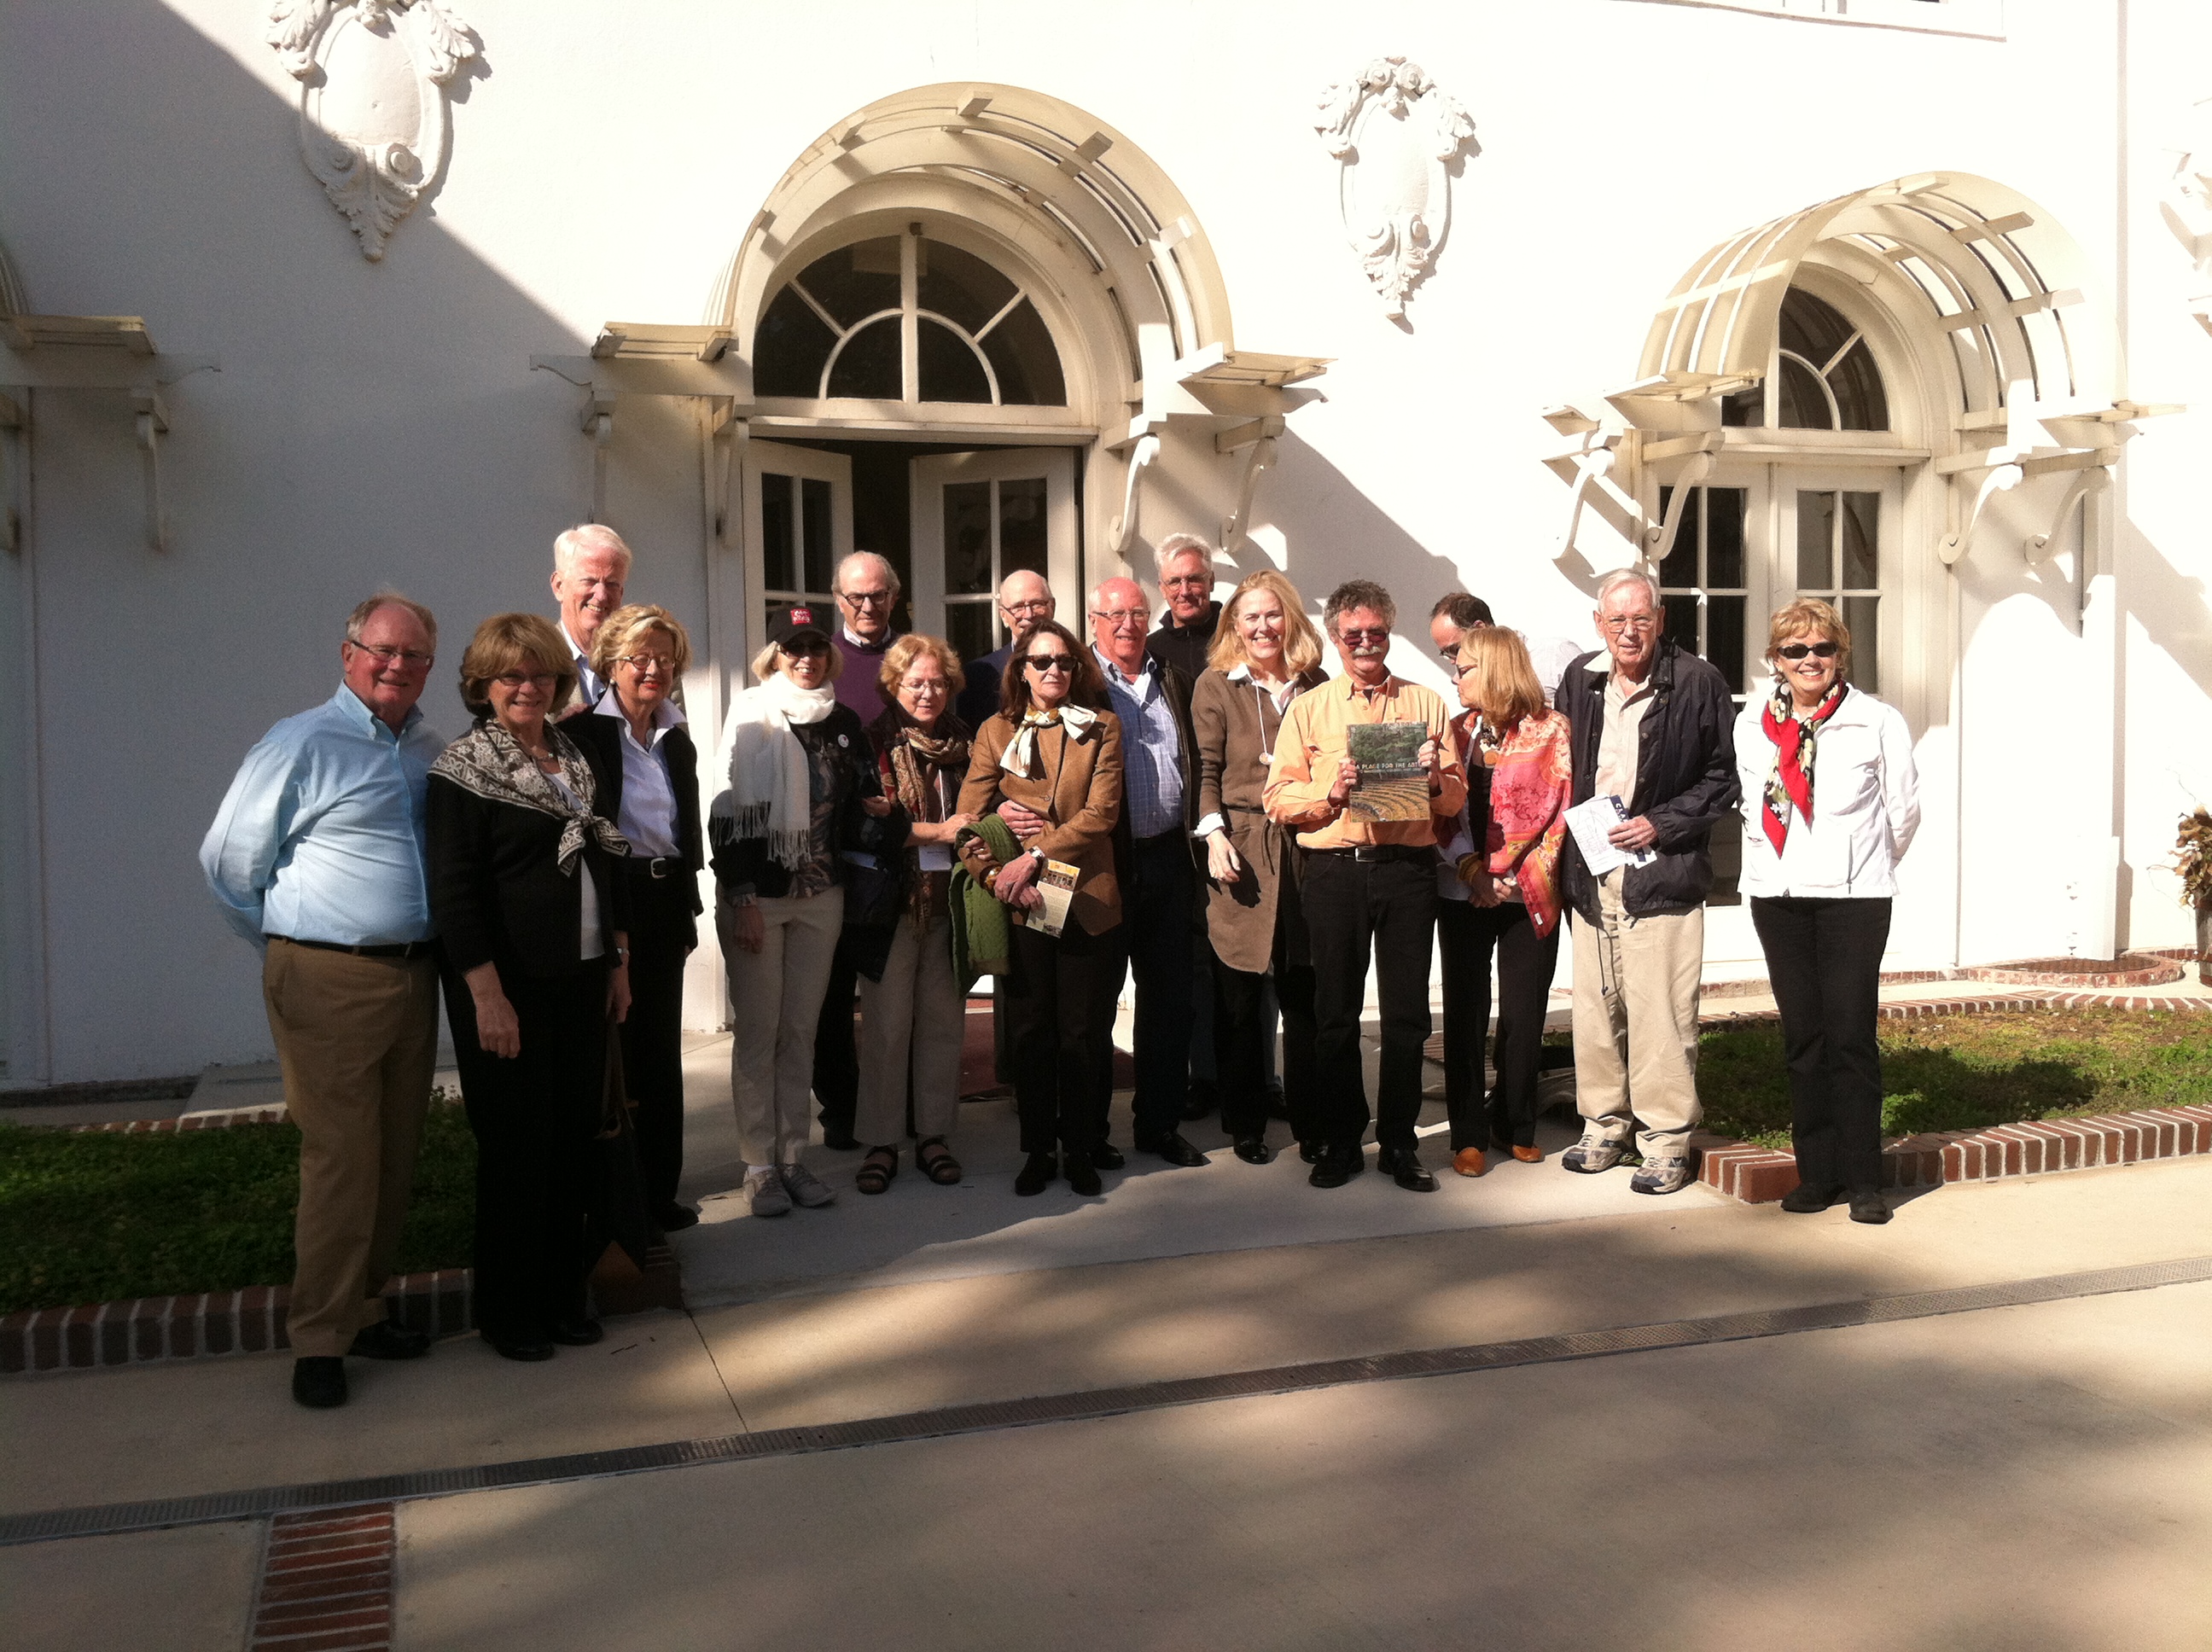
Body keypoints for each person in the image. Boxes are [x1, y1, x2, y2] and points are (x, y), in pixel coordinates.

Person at [201, 593, 446, 1410]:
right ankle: (319, 1339)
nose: (397, 666)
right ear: (348, 654)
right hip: (326, 979)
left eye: (414, 656)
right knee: (341, 1161)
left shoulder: (428, 749)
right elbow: (229, 864)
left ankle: (366, 1308)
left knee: (394, 1153)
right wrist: (291, 949)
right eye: (382, 650)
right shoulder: (301, 742)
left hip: (414, 978)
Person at [427, 613, 632, 1362]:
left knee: (573, 1142)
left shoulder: (574, 760)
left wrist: (618, 962)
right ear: (482, 684)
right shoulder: (462, 770)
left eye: (541, 673)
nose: (527, 686)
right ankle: (510, 1312)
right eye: (511, 675)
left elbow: (605, 864)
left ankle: (562, 1295)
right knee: (517, 1152)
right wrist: (485, 995)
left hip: (580, 980)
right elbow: (453, 893)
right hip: (506, 989)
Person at [1265, 579, 1464, 1192]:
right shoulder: (1309, 708)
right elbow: (1276, 799)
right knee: (1335, 1016)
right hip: (1334, 872)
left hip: (1406, 873)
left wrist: (1433, 778)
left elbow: (1455, 799)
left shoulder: (1427, 704)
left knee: (1406, 1017)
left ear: (1389, 632)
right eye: (1353, 635)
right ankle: (1343, 1140)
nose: (1365, 644)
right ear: (1335, 637)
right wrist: (1329, 794)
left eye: (1376, 633)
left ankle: (1400, 1144)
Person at [1736, 599, 1919, 1226]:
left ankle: (1865, 1178)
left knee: (1849, 1037)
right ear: (1776, 660)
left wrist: (1859, 864)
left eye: (1822, 649)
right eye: (1795, 651)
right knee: (1802, 1039)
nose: (1810, 660)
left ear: (1841, 654)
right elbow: (1747, 801)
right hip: (1778, 896)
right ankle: (1818, 1173)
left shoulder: (1876, 720)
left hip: (1854, 900)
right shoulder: (1752, 725)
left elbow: (1903, 814)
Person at [1558, 568, 1739, 1195]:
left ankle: (1665, 1141)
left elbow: (1722, 781)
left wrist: (1658, 825)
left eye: (1641, 619)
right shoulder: (1581, 680)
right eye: (1617, 621)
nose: (1629, 631)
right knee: (1596, 1007)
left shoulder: (1697, 681)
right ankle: (1603, 1125)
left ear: (1661, 620)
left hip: (1661, 871)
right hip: (1592, 871)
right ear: (1599, 625)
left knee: (1661, 1013)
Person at [712, 604, 894, 1217]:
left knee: (802, 1032)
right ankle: (759, 1165)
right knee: (760, 1033)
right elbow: (723, 809)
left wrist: (892, 813)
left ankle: (793, 1157)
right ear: (775, 655)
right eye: (794, 648)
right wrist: (740, 896)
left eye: (816, 647)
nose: (807, 658)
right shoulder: (750, 714)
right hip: (759, 897)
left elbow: (865, 798)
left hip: (823, 896)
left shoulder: (842, 720)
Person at [957, 621, 1125, 1196]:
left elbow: (1101, 815)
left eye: (1065, 662)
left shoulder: (1103, 727)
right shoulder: (995, 730)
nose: (1054, 670)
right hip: (1022, 899)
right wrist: (994, 869)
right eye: (1041, 661)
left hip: (1084, 898)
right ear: (1020, 669)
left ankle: (1079, 1147)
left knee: (1080, 1031)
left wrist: (1033, 853)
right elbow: (967, 820)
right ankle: (1036, 1150)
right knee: (1031, 1031)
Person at [566, 604, 704, 1233]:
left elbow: (684, 828)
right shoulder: (586, 737)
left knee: (660, 1052)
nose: (653, 669)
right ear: (611, 666)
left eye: (663, 658)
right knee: (615, 1050)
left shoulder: (677, 736)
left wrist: (688, 907)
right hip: (614, 904)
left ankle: (659, 1193)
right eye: (638, 659)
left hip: (665, 902)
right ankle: (615, 1197)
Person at [1191, 569, 1328, 1165]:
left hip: (1308, 843)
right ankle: (1244, 1120)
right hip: (1240, 847)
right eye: (1250, 617)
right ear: (1235, 626)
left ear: (1290, 619)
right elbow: (1205, 769)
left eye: (1273, 614)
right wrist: (1213, 832)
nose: (1262, 626)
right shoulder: (1215, 686)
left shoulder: (1317, 683)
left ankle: (1309, 1116)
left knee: (1304, 990)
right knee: (1241, 994)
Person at [1437, 626, 1573, 1177]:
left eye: (1464, 667)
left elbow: (1563, 808)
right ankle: (1467, 1133)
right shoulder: (1456, 731)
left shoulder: (1552, 729)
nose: (1454, 676)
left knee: (1523, 1013)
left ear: (1493, 669)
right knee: (1465, 1012)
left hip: (1528, 891)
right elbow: (1442, 810)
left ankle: (1514, 1123)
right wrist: (1473, 871)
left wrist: (1518, 876)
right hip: (1463, 889)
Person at [1085, 575, 1206, 1168]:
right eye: (1115, 615)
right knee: (1095, 1003)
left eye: (1137, 613)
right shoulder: (1075, 684)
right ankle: (1089, 1132)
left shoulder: (1173, 681)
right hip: (1104, 864)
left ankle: (1158, 1125)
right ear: (1094, 622)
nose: (1128, 624)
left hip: (1168, 859)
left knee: (1169, 1002)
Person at [852, 634, 976, 1194]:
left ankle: (933, 1135)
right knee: (885, 1026)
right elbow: (866, 827)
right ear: (894, 685)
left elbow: (982, 813)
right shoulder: (873, 742)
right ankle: (882, 1141)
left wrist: (954, 834)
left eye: (937, 682)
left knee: (943, 1025)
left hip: (950, 901)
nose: (927, 692)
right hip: (892, 907)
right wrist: (936, 832)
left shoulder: (968, 744)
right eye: (915, 682)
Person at [816, 550, 907, 1149]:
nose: (867, 606)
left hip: (898, 850)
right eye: (855, 597)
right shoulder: (816, 659)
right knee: (830, 994)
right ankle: (842, 1110)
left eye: (877, 595)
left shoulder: (915, 656)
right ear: (837, 598)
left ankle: (899, 1106)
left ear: (894, 597)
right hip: (828, 852)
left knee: (895, 993)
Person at [1145, 534, 1225, 1120]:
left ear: (1211, 582)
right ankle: (1205, 1072)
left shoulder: (1240, 633)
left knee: (1255, 951)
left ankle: (1258, 1073)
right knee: (1198, 956)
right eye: (1174, 582)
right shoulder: (1151, 650)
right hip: (1181, 826)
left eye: (1193, 579)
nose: (1184, 590)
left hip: (1242, 814)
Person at [1431, 589, 1580, 710]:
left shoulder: (1554, 654)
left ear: (1480, 628)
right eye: (1445, 654)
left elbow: (1591, 712)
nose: (1453, 661)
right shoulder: (1471, 681)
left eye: (1455, 649)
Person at [955, 569, 1055, 730]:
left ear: (1052, 607)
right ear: (1003, 615)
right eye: (1018, 607)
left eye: (1037, 604)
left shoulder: (1076, 665)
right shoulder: (977, 676)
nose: (1028, 614)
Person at [549, 524, 632, 715]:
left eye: (611, 584)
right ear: (559, 586)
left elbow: (676, 742)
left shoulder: (647, 665)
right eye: (590, 581)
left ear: (621, 593)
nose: (601, 595)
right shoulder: (533, 663)